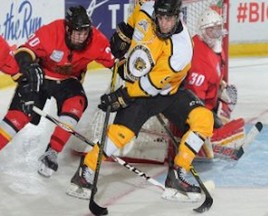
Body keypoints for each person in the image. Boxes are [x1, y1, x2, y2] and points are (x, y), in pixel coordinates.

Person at [66, 0, 214, 202]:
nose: (163, 24)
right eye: (160, 17)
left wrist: (123, 96)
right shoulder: (146, 9)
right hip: (141, 87)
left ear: (177, 16)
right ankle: (86, 171)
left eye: (168, 19)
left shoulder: (180, 51)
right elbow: (134, 21)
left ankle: (178, 173)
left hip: (165, 92)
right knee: (121, 134)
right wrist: (124, 34)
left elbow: (151, 85)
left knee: (204, 120)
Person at [0, 5, 114, 178]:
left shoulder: (97, 40)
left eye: (85, 33)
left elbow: (117, 64)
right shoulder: (52, 31)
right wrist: (27, 66)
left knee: (76, 103)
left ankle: (52, 152)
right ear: (67, 29)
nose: (81, 38)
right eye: (77, 33)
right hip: (39, 76)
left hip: (69, 81)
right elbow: (24, 51)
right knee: (19, 116)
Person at [170, 8, 244, 160]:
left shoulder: (213, 46)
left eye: (218, 29)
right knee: (221, 127)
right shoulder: (200, 60)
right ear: (203, 31)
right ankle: (191, 137)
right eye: (211, 30)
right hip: (191, 108)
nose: (216, 33)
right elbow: (195, 100)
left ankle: (212, 125)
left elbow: (214, 74)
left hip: (204, 100)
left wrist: (220, 86)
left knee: (226, 103)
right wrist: (203, 131)